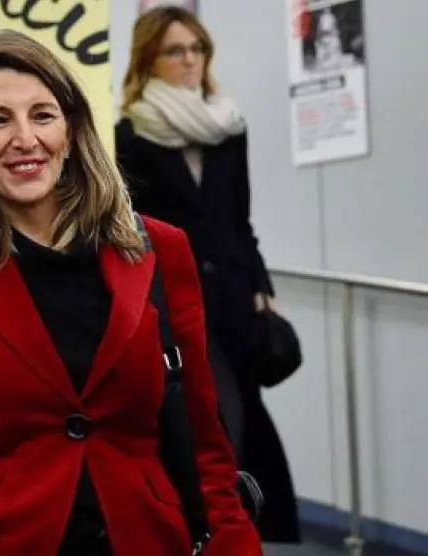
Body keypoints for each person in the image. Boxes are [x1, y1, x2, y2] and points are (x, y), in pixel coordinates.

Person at [0, 29, 263, 556]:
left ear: (69, 134)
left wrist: (233, 542)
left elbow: (205, 436)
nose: (26, 139)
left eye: (43, 115)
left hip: (143, 538)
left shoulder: (161, 250)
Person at [114, 6, 300, 543]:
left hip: (234, 296)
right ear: (149, 59)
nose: (190, 60)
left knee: (243, 410)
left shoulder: (228, 128)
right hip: (174, 299)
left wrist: (262, 288)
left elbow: (240, 221)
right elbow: (133, 227)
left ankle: (248, 530)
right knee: (212, 415)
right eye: (175, 50)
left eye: (198, 49)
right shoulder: (129, 135)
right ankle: (214, 529)